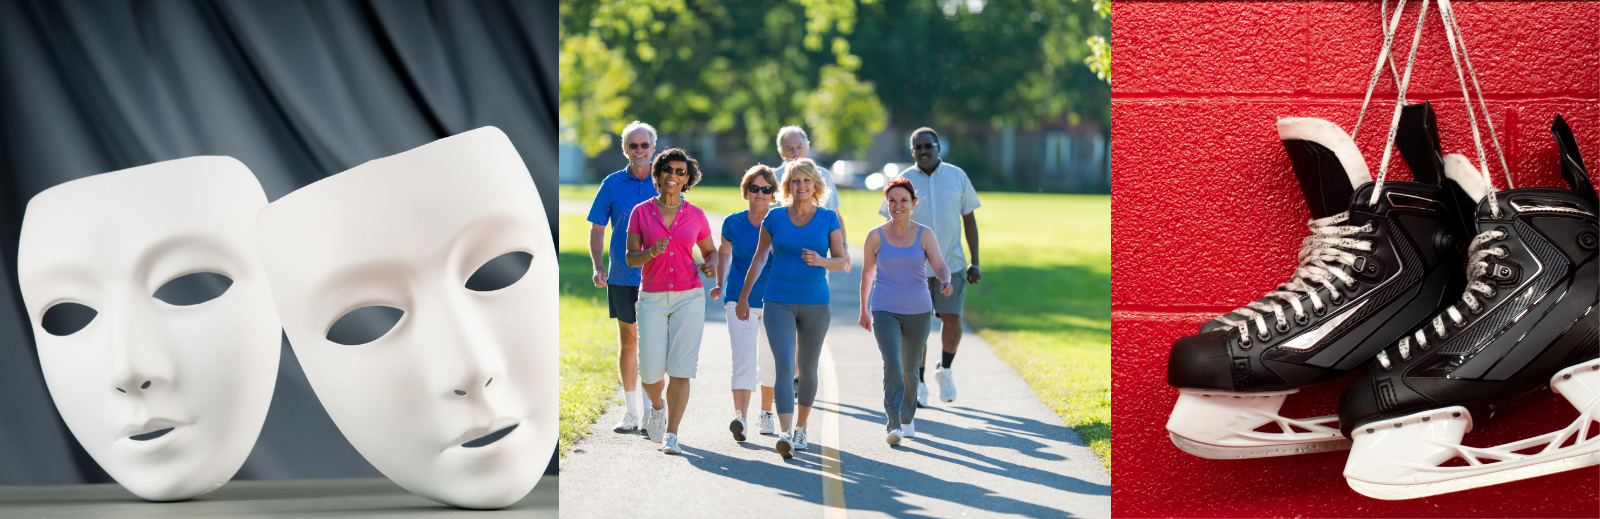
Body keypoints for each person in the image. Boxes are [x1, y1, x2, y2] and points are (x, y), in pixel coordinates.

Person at [736, 158, 848, 459]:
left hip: (815, 302)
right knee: (784, 365)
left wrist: (821, 261)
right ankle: (784, 433)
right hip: (778, 299)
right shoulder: (774, 218)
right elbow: (759, 259)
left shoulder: (827, 218)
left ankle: (801, 427)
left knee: (808, 369)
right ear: (787, 186)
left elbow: (841, 260)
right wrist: (745, 297)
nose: (801, 185)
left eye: (806, 181)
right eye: (795, 181)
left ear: (815, 185)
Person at [878, 127, 981, 406]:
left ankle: (944, 370)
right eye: (918, 147)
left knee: (953, 320)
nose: (924, 151)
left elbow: (969, 220)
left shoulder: (957, 176)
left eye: (928, 145)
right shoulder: (904, 181)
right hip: (914, 269)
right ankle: (920, 382)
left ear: (938, 146)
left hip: (952, 263)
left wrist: (976, 261)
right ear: (912, 151)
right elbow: (890, 224)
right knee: (917, 328)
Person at [625, 148, 717, 455]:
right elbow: (629, 257)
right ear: (659, 174)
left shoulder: (696, 215)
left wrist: (710, 264)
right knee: (650, 374)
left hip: (689, 297)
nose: (673, 176)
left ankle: (672, 434)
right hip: (651, 297)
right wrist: (651, 252)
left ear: (687, 178)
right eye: (668, 170)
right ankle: (657, 406)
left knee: (681, 369)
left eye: (680, 172)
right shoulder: (641, 212)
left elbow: (709, 251)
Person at [858, 177, 953, 445]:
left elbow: (940, 265)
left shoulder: (924, 234)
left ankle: (908, 417)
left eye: (903, 200)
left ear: (914, 203)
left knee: (911, 370)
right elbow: (867, 274)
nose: (897, 205)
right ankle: (894, 423)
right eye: (892, 200)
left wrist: (945, 279)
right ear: (886, 203)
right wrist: (864, 309)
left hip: (919, 311)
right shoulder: (875, 236)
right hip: (884, 308)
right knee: (893, 364)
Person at [586, 121, 659, 433]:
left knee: (656, 346)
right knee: (629, 341)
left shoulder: (666, 181)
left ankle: (653, 411)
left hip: (660, 278)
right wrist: (597, 266)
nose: (639, 151)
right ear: (625, 149)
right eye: (633, 145)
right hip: (622, 275)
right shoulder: (612, 184)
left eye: (644, 145)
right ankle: (632, 413)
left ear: (653, 148)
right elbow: (597, 227)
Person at [711, 166, 779, 441]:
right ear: (746, 191)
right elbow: (724, 253)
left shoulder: (781, 222)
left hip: (775, 300)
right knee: (743, 359)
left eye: (766, 189)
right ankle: (740, 417)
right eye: (754, 188)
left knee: (771, 362)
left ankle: (766, 412)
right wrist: (718, 282)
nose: (759, 194)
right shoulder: (732, 223)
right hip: (739, 299)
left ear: (773, 193)